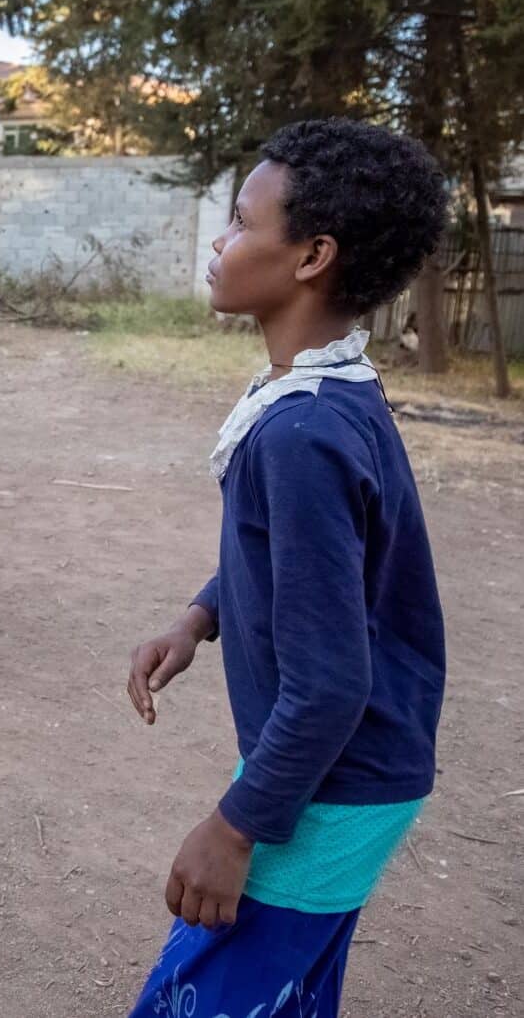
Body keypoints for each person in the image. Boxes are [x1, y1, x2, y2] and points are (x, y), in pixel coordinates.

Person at [124, 119, 449, 1018]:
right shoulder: (329, 391)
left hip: (332, 787)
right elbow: (306, 564)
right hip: (354, 776)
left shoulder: (305, 431)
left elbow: (333, 682)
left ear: (311, 256)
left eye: (239, 221)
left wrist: (233, 828)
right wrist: (198, 618)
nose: (221, 243)